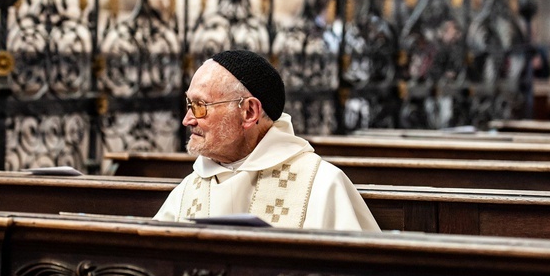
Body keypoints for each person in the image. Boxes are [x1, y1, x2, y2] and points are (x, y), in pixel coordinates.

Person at [153, 49, 381, 231]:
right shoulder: (189, 189)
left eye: (200, 106)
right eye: (189, 104)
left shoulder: (322, 185)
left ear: (249, 112)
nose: (187, 120)